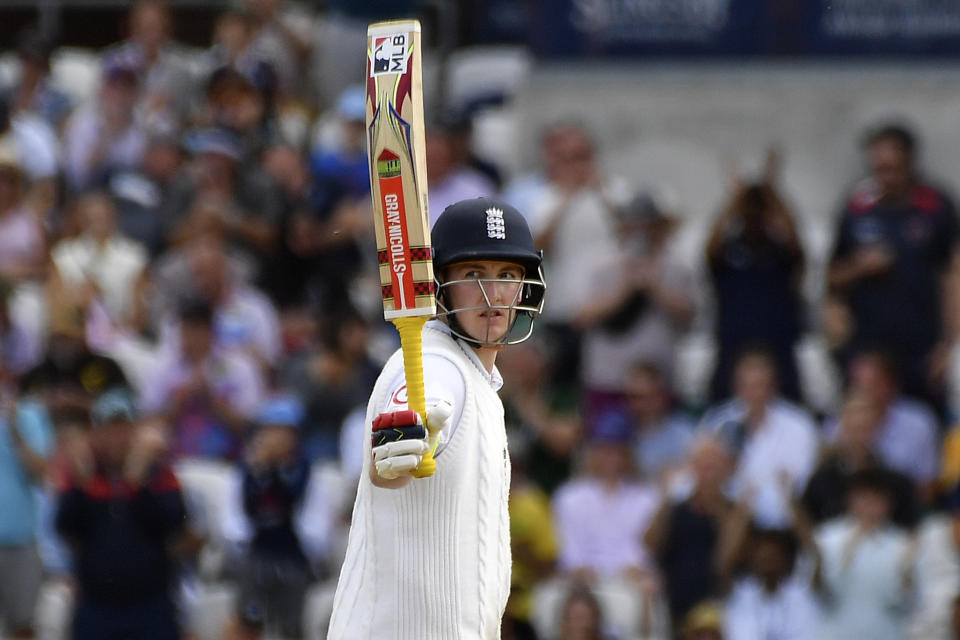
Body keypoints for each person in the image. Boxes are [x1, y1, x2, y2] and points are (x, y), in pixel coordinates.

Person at [327, 197, 546, 639]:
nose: (494, 293)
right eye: (473, 274)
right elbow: (400, 433)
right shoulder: (433, 364)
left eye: (507, 275)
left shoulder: (479, 379)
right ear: (438, 284)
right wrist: (395, 452)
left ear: (525, 286)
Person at [827, 122, 958, 412]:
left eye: (891, 164)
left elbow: (952, 275)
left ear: (908, 160)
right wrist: (860, 267)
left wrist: (948, 343)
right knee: (865, 417)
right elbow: (832, 277)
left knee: (926, 417)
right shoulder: (857, 207)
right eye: (879, 165)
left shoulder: (935, 206)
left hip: (921, 342)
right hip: (868, 343)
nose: (885, 173)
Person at [55, 388, 187, 640]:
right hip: (96, 605)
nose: (117, 438)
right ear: (96, 434)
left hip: (150, 604)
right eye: (109, 429)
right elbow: (66, 525)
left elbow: (173, 523)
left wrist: (136, 484)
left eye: (124, 429)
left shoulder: (159, 473)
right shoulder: (85, 475)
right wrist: (84, 485)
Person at [705, 150, 805, 403]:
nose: (753, 216)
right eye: (748, 210)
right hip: (733, 349)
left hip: (777, 348)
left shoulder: (779, 252)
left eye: (758, 211)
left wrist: (771, 192)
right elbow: (709, 248)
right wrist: (736, 199)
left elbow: (797, 244)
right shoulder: (728, 252)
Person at [0, 396, 55, 640]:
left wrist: (15, 430)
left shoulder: (29, 415)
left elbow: (41, 472)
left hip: (19, 539)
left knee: (22, 626)